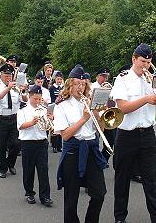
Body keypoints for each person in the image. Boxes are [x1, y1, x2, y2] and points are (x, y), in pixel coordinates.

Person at [112, 43, 156, 223]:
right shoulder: (122, 79)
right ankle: (120, 217)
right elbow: (122, 108)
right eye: (142, 61)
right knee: (122, 179)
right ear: (134, 59)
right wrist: (145, 99)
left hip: (148, 134)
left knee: (151, 180)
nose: (145, 65)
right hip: (127, 135)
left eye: (149, 62)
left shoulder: (152, 80)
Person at [53, 65, 107, 223]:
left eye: (83, 84)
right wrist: (84, 118)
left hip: (91, 148)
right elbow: (66, 135)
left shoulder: (90, 102)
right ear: (70, 85)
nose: (80, 87)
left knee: (99, 193)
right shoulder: (61, 106)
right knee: (71, 198)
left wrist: (96, 113)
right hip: (73, 152)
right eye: (77, 84)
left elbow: (102, 128)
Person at [17, 85, 53, 206]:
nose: (37, 101)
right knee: (28, 170)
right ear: (30, 97)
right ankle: (29, 193)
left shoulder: (43, 109)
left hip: (42, 143)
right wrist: (32, 123)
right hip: (28, 143)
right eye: (35, 99)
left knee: (43, 170)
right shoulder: (22, 110)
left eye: (39, 99)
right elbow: (20, 126)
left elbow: (48, 126)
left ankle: (45, 196)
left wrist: (51, 119)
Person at [0, 63, 28, 178]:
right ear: (1, 75)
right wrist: (8, 88)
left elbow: (25, 100)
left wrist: (23, 91)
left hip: (14, 118)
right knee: (1, 145)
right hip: (0, 119)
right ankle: (2, 169)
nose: (8, 78)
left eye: (10, 76)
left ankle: (10, 163)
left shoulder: (15, 87)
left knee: (16, 144)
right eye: (6, 76)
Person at [49, 71, 64, 153]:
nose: (59, 81)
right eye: (58, 79)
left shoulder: (63, 87)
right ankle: (54, 145)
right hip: (54, 108)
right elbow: (51, 98)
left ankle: (59, 146)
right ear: (55, 79)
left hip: (61, 108)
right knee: (54, 127)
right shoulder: (52, 88)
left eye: (60, 79)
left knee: (61, 126)